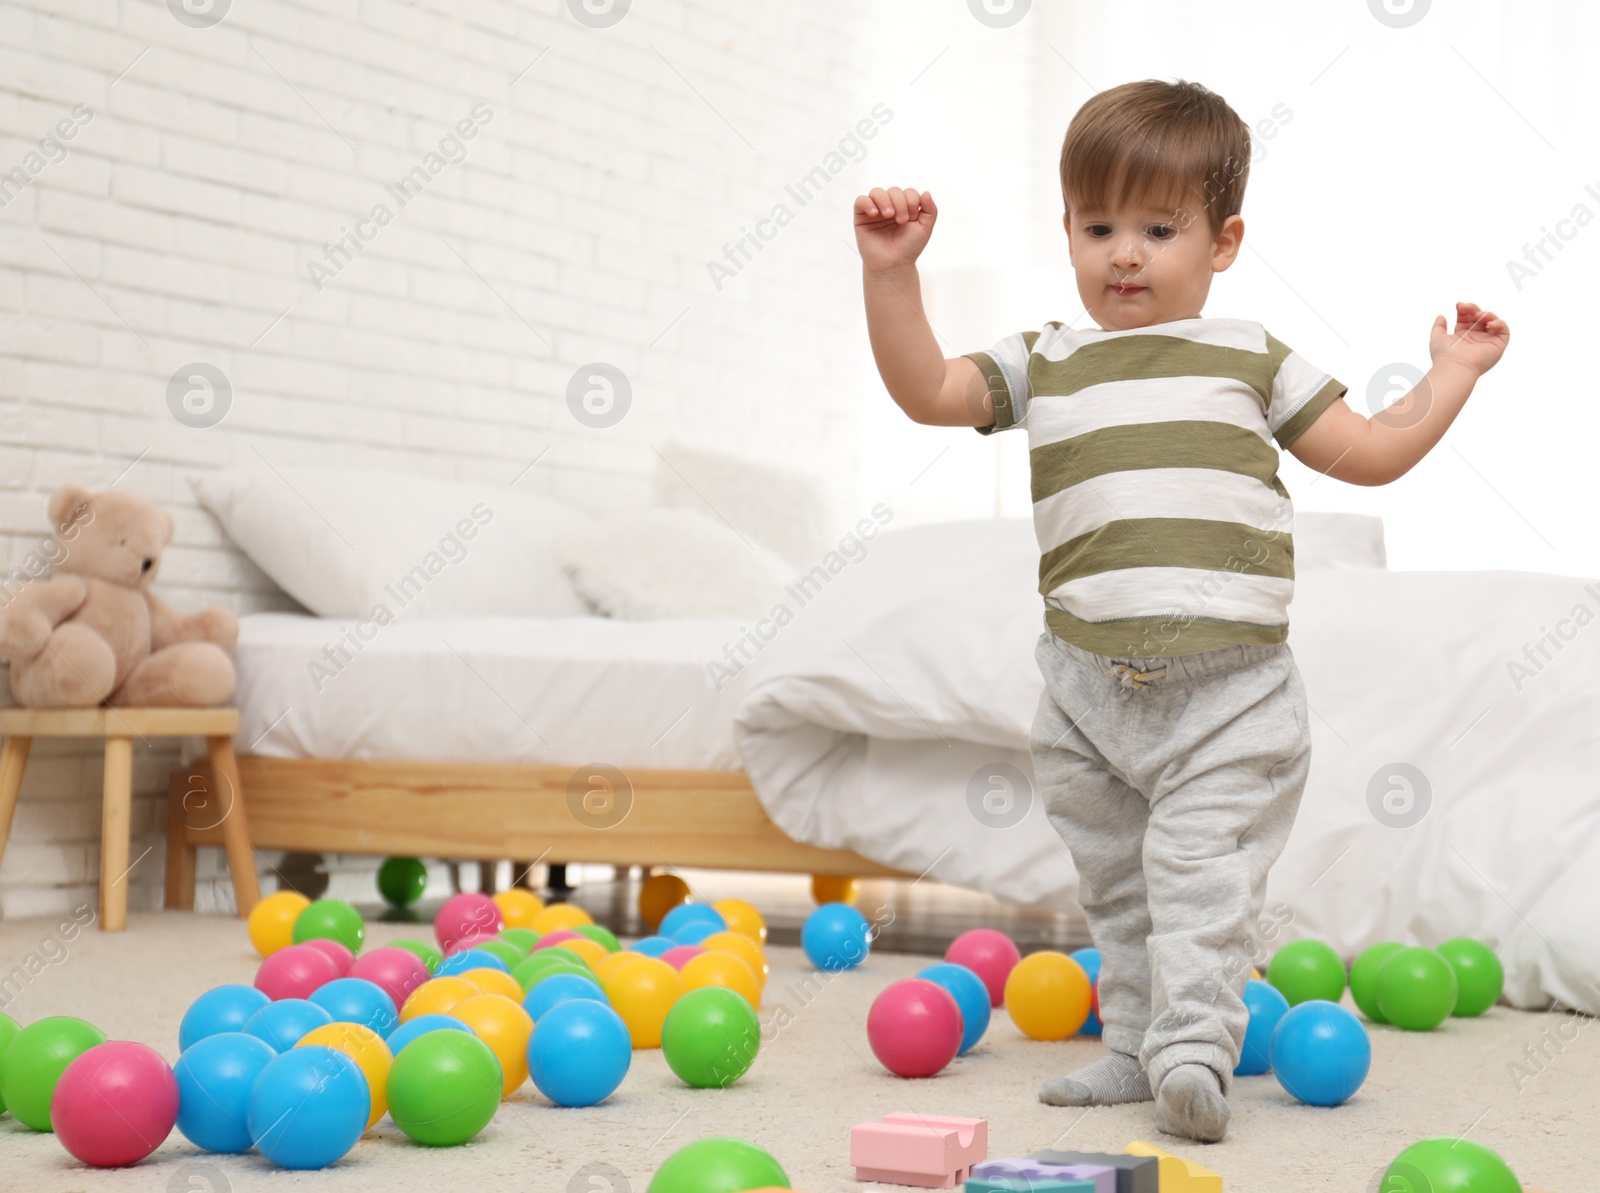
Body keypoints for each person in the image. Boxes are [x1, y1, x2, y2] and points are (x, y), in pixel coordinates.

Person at [852, 77, 1508, 1142]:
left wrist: (1451, 373)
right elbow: (926, 387)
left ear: (1223, 240)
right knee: (1117, 880)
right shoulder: (1043, 359)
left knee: (1193, 872)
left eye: (1159, 229)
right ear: (1066, 230)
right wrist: (893, 276)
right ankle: (1130, 1045)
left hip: (1228, 694)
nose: (1125, 253)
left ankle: (1195, 1048)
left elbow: (1374, 452)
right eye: (1100, 226)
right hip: (1081, 691)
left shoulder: (1249, 355)